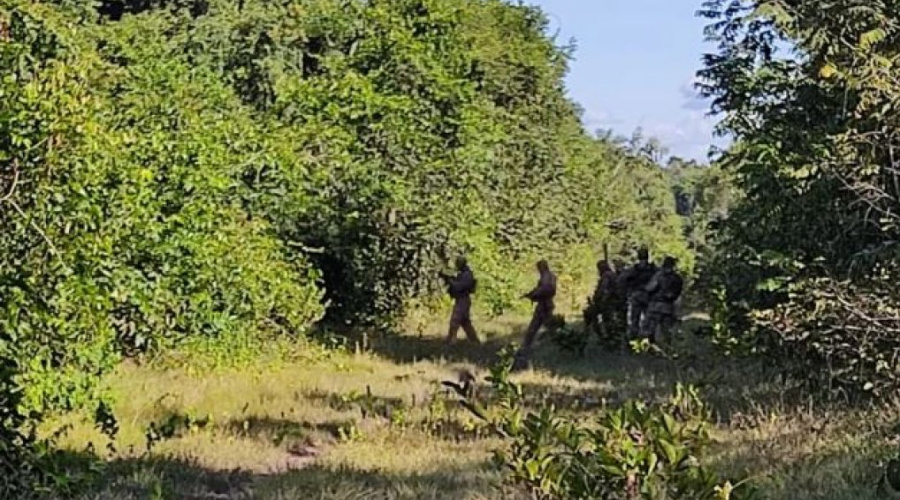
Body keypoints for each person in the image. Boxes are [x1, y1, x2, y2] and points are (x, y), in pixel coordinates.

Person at [513, 260, 557, 369]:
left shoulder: (547, 277)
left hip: (544, 304)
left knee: (535, 327)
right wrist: (530, 294)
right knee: (545, 325)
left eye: (539, 267)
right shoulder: (550, 276)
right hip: (545, 304)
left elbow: (544, 289)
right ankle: (555, 341)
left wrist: (534, 295)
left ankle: (527, 346)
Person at [618, 247, 658, 339]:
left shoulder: (634, 269)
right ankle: (650, 338)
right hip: (649, 297)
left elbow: (621, 280)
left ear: (638, 257)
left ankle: (634, 338)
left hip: (636, 296)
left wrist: (626, 290)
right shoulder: (653, 269)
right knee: (650, 319)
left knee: (634, 319)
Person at [644, 256, 684, 344]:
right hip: (668, 306)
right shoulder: (677, 278)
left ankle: (651, 346)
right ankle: (667, 346)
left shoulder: (658, 276)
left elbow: (649, 288)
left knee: (651, 328)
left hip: (655, 305)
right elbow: (678, 292)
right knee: (667, 329)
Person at [441, 257, 480, 345]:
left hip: (463, 299)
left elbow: (459, 287)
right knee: (465, 323)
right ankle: (475, 341)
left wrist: (450, 281)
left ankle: (451, 341)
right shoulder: (463, 273)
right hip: (461, 299)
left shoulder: (467, 275)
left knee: (455, 320)